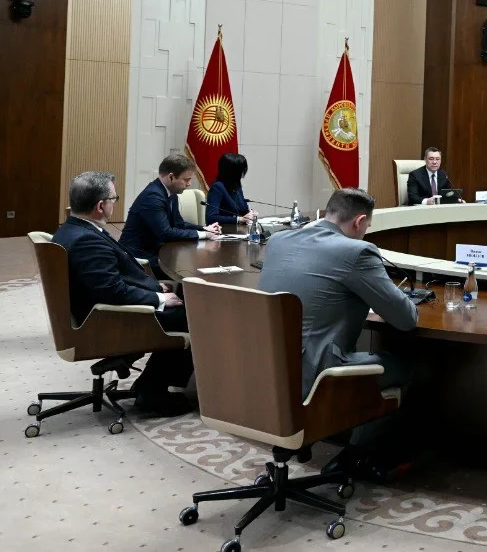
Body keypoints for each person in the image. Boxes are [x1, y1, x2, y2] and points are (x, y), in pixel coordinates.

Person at [258, 187, 418, 480]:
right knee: (405, 367)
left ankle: (310, 435)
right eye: (367, 227)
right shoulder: (356, 252)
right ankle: (354, 457)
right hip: (315, 379)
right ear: (359, 222)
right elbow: (406, 319)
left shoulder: (278, 241)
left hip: (264, 373)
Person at [53, 171, 194, 415]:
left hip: (102, 310)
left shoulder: (75, 228)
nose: (115, 203)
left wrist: (152, 287)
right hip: (107, 319)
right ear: (100, 206)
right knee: (192, 318)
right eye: (114, 199)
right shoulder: (86, 241)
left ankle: (147, 383)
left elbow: (111, 278)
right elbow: (112, 292)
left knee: (181, 305)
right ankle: (153, 393)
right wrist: (158, 298)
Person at [119, 154, 222, 265]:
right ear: (171, 177)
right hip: (138, 258)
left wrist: (205, 229)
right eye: (186, 180)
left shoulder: (171, 193)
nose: (189, 184)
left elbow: (178, 223)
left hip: (158, 251)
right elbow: (166, 233)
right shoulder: (153, 197)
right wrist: (204, 235)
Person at [205, 152, 256, 226]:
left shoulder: (236, 185)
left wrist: (250, 213)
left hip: (238, 229)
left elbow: (243, 209)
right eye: (241, 170)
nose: (243, 173)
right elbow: (211, 218)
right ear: (233, 171)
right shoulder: (217, 187)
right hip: (221, 230)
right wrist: (238, 219)